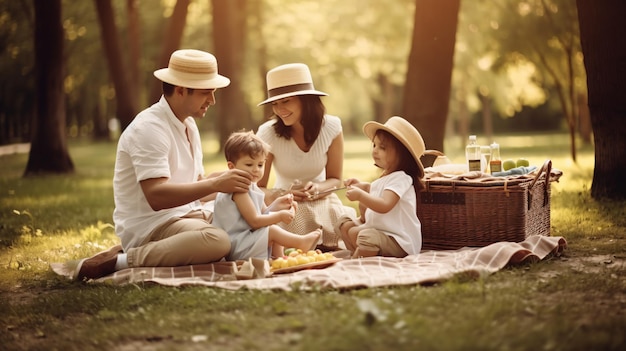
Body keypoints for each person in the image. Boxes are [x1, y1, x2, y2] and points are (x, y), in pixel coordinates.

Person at [73, 49, 253, 281]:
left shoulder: (188, 124)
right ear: (180, 90)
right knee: (218, 241)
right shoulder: (149, 128)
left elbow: (194, 185)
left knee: (251, 221)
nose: (212, 100)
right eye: (206, 93)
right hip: (153, 227)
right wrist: (216, 183)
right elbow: (157, 197)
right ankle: (122, 260)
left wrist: (232, 182)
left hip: (187, 217)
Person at [256, 63, 356, 251]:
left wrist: (318, 188)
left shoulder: (332, 127)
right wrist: (284, 195)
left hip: (323, 199)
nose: (279, 110)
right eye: (275, 103)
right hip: (285, 201)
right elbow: (257, 188)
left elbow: (335, 179)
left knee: (345, 227)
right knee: (292, 224)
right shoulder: (267, 133)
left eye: (286, 101)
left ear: (306, 100)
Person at [212, 130, 322, 260]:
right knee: (272, 230)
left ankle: (279, 258)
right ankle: (301, 242)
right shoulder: (238, 189)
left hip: (247, 239)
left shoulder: (252, 186)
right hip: (236, 245)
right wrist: (280, 216)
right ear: (232, 166)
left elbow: (264, 214)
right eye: (249, 164)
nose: (256, 170)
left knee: (272, 225)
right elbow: (255, 221)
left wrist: (278, 205)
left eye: (260, 164)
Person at [334, 116, 425, 259]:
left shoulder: (401, 178)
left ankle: (357, 260)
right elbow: (376, 191)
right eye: (374, 145)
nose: (375, 151)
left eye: (382, 147)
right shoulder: (387, 176)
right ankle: (358, 254)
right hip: (381, 232)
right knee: (345, 225)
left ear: (403, 155)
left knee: (367, 237)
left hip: (398, 241)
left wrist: (360, 196)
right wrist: (362, 186)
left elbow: (385, 204)